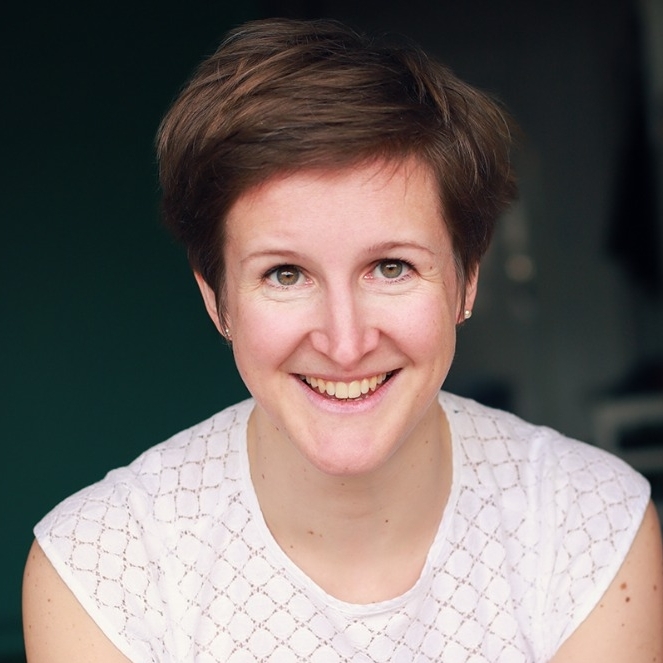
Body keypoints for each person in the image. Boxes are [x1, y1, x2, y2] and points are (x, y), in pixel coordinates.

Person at [23, 17, 663, 663]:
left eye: (391, 267)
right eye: (285, 273)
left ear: (466, 278)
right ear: (216, 298)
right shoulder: (102, 566)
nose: (345, 342)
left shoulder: (587, 521)